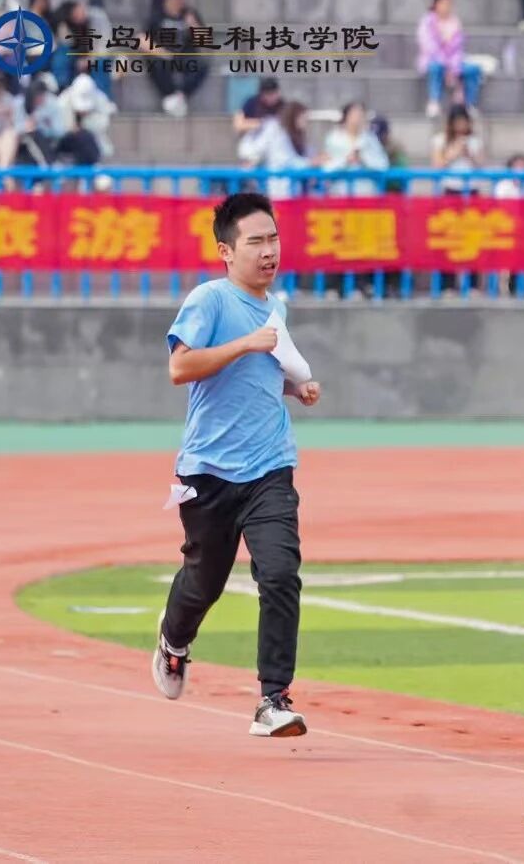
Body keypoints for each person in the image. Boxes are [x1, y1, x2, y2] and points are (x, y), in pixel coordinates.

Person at [153, 192, 322, 740]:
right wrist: (247, 344)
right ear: (226, 251)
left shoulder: (277, 307)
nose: (269, 251)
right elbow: (180, 368)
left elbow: (261, 374)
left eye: (274, 239)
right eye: (256, 242)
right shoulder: (209, 300)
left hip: (270, 465)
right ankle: (174, 639)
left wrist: (295, 388)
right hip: (208, 471)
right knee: (204, 580)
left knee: (280, 573)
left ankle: (274, 699)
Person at [417, 0, 483, 118]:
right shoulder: (427, 22)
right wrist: (446, 65)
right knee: (436, 67)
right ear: (436, 4)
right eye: (443, 3)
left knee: (473, 70)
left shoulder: (455, 22)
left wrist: (453, 67)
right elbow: (429, 47)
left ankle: (469, 104)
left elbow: (458, 49)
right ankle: (434, 102)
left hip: (454, 63)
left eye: (449, 3)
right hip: (434, 60)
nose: (446, 6)